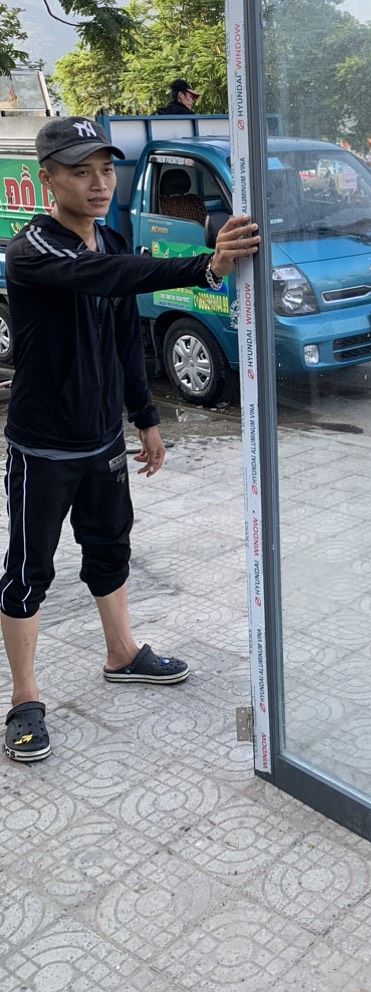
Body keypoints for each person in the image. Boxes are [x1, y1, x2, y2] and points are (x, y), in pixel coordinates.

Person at [1, 117, 259, 764]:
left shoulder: (110, 239)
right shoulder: (34, 250)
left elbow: (123, 339)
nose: (98, 183)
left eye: (105, 170)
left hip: (101, 438)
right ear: (48, 179)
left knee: (111, 545)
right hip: (43, 444)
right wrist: (207, 265)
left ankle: (121, 654)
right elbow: (110, 277)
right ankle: (25, 698)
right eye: (80, 171)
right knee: (29, 571)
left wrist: (145, 418)